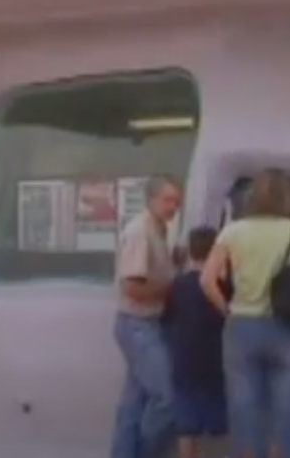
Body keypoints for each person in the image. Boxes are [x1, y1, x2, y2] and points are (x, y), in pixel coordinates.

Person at [201, 168, 290, 458]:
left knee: (244, 409)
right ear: (288, 197)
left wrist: (228, 310)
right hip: (288, 329)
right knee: (287, 411)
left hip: (242, 326)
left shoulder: (233, 231)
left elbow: (207, 280)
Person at [111, 174, 182, 458]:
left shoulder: (160, 230)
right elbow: (132, 286)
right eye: (168, 200)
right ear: (151, 199)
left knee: (135, 402)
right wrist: (172, 287)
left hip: (149, 323)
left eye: (177, 202)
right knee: (167, 398)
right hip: (139, 324)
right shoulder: (140, 231)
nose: (173, 207)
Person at [162, 226, 230, 458]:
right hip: (214, 359)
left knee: (185, 424)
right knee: (216, 425)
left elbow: (167, 318)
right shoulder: (223, 287)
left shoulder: (178, 285)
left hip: (183, 358)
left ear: (190, 252)